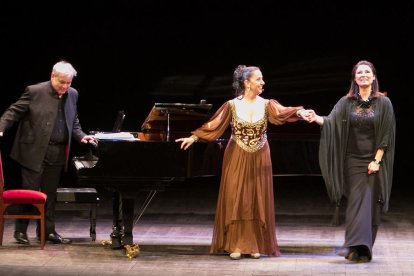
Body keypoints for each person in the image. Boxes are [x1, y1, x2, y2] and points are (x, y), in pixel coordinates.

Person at [176, 65, 314, 260]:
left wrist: (301, 113)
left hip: (260, 155)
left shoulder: (267, 104)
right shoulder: (231, 105)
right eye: (259, 79)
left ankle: (255, 243)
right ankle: (236, 244)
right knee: (236, 197)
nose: (263, 82)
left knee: (257, 197)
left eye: (262, 79)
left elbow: (283, 112)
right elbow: (215, 124)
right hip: (236, 154)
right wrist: (195, 137)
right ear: (247, 83)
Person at [0, 60, 97, 244]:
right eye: (62, 82)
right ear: (52, 76)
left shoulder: (73, 94)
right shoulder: (34, 91)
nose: (65, 86)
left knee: (50, 194)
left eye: (69, 83)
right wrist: (1, 127)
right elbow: (13, 111)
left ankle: (47, 231)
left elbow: (73, 120)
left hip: (57, 152)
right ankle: (20, 231)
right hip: (33, 150)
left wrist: (81, 136)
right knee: (29, 192)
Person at [311, 60, 396, 262]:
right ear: (355, 78)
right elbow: (331, 122)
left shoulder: (384, 103)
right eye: (360, 72)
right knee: (357, 203)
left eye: (367, 72)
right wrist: (316, 118)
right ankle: (355, 245)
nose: (364, 75)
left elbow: (386, 134)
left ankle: (363, 248)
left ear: (374, 77)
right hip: (352, 161)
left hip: (375, 160)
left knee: (370, 204)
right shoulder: (346, 102)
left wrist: (376, 160)